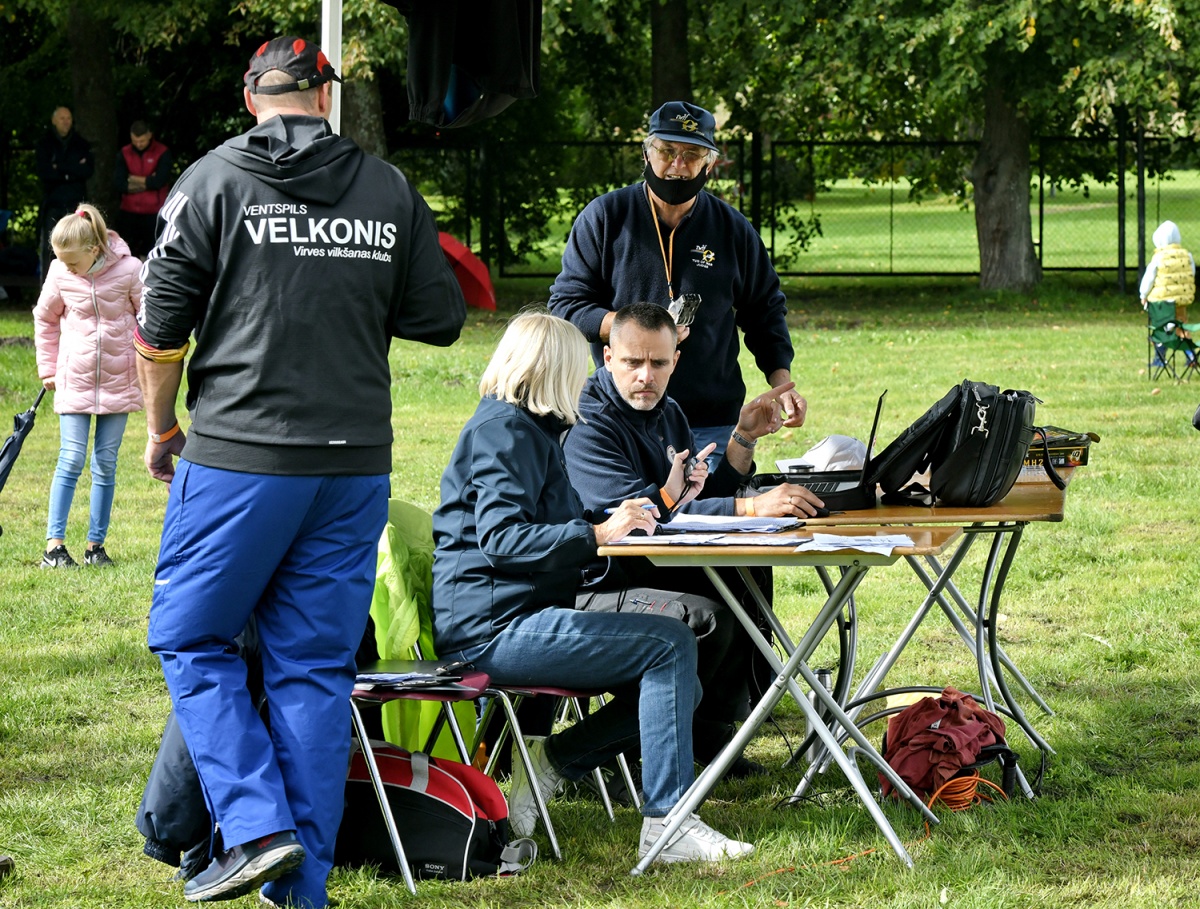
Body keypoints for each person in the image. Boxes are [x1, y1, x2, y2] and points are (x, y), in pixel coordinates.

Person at [134, 36, 466, 908]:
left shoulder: (211, 180)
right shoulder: (388, 189)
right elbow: (439, 317)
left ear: (252, 98)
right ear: (326, 97)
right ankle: (302, 892)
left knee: (191, 636)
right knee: (313, 672)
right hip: (353, 466)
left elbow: (159, 330)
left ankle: (254, 827)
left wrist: (161, 428)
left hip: (240, 454)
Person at [432, 308, 754, 864]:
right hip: (493, 630)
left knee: (682, 679)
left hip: (522, 612)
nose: (583, 381)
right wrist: (599, 532)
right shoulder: (504, 432)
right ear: (550, 368)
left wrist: (665, 500)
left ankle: (555, 762)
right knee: (671, 646)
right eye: (575, 368)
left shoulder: (527, 429)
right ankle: (667, 824)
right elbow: (502, 540)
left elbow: (562, 524)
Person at [562, 302, 825, 771]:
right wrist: (751, 507)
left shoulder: (669, 411)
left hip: (655, 563)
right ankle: (627, 752)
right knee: (708, 618)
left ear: (676, 361)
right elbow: (640, 515)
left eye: (658, 363)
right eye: (632, 362)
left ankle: (711, 735)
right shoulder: (588, 422)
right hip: (599, 579)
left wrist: (742, 440)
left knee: (744, 574)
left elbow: (691, 503)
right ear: (608, 358)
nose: (646, 376)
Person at [548, 100, 806, 457]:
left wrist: (782, 383)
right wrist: (636, 328)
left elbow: (765, 311)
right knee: (628, 496)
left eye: (692, 154)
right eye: (667, 151)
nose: (678, 165)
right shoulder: (605, 217)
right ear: (646, 154)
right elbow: (566, 307)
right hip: (620, 417)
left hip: (710, 421)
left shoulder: (732, 228)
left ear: (709, 164)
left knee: (715, 495)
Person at [32, 204, 143, 569]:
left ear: (94, 249)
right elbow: (45, 319)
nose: (66, 267)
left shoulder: (131, 270)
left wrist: (146, 366)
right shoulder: (59, 273)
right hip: (73, 378)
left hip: (119, 379)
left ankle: (96, 547)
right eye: (61, 261)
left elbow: (148, 318)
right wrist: (47, 367)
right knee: (71, 458)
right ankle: (54, 547)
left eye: (72, 261)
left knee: (106, 463)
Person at [35, 106, 95, 279]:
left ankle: (77, 285)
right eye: (62, 118)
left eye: (68, 118)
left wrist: (59, 167)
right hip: (53, 204)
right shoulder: (44, 144)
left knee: (78, 245)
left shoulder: (81, 143)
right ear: (54, 121)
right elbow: (44, 172)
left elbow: (88, 170)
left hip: (76, 204)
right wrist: (72, 169)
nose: (66, 122)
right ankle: (48, 286)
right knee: (50, 248)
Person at [1140, 219, 1197, 369]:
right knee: (1181, 327)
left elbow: (1149, 277)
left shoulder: (1159, 257)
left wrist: (1143, 294)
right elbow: (1191, 273)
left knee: (1161, 329)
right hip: (1181, 301)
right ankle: (1191, 356)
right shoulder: (1187, 255)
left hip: (1162, 303)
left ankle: (1160, 359)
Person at [114, 121, 174, 259]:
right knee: (128, 251)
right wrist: (148, 181)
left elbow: (160, 181)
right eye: (135, 141)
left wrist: (132, 178)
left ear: (149, 135)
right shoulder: (125, 153)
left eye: (142, 141)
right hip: (129, 210)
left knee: (151, 251)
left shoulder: (162, 152)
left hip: (154, 211)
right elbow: (119, 183)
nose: (138, 144)